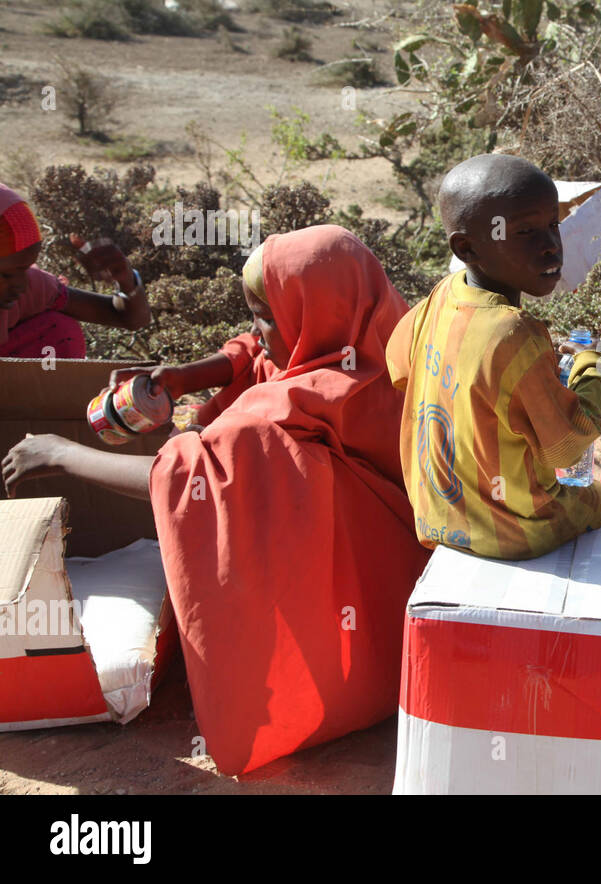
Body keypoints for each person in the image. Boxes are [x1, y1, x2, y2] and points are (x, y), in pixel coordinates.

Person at [3, 225, 429, 775]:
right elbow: (264, 349)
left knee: (246, 470)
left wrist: (62, 454)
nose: (256, 329)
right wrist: (191, 375)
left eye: (267, 314)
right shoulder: (381, 333)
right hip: (404, 585)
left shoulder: (286, 410)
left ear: (315, 313)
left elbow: (195, 478)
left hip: (352, 613)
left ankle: (318, 690)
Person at [386, 153, 601, 560]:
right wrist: (594, 368)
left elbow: (399, 369)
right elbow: (567, 445)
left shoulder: (440, 298)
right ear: (466, 246)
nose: (551, 247)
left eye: (553, 226)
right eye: (525, 232)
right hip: (515, 531)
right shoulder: (513, 332)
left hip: (436, 516)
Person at [0, 181, 150, 357]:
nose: (21, 284)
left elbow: (127, 317)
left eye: (24, 269)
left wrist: (125, 280)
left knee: (59, 330)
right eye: (7, 274)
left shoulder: (29, 288)